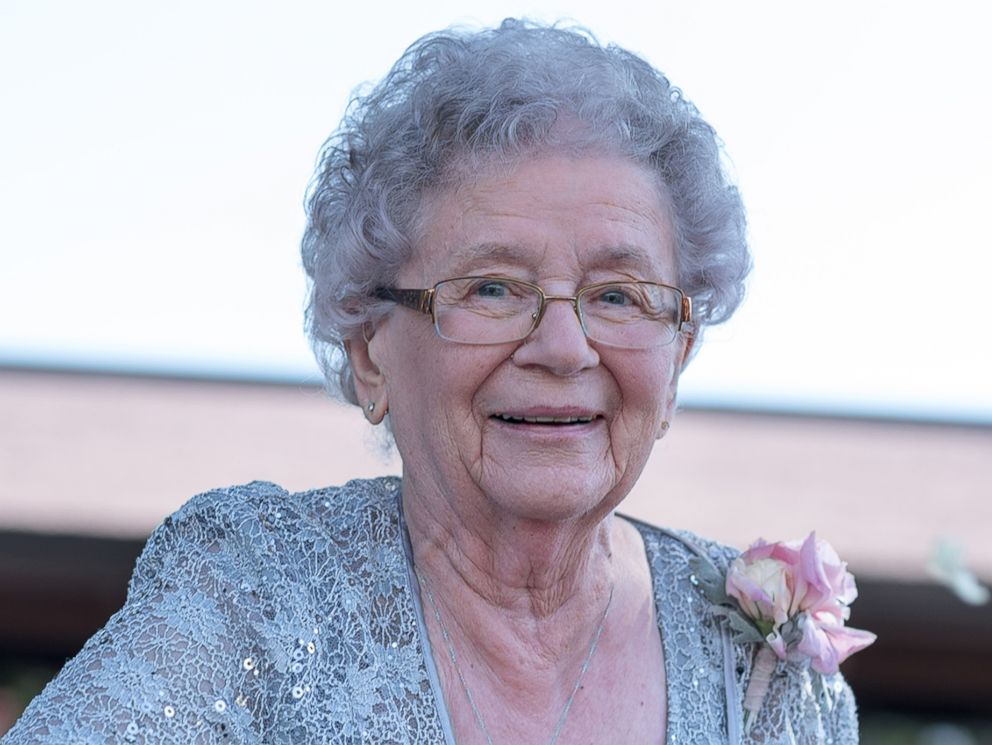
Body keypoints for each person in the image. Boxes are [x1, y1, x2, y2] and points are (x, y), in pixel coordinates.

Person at [2, 19, 862, 744]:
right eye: (492, 288)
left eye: (618, 294)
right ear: (370, 348)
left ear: (676, 357)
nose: (564, 346)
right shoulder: (260, 598)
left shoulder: (768, 664)